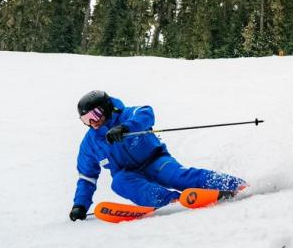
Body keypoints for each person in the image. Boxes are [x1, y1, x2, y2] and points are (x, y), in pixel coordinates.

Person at [69, 90, 246, 221]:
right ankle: (171, 200)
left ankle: (233, 184)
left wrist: (126, 127)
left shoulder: (127, 115)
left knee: (179, 177)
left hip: (156, 160)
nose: (93, 122)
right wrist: (80, 205)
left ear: (106, 108)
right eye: (86, 120)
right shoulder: (90, 143)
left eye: (96, 114)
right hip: (130, 174)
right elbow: (87, 177)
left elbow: (147, 112)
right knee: (119, 182)